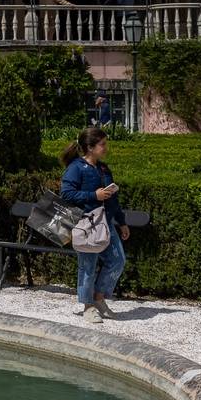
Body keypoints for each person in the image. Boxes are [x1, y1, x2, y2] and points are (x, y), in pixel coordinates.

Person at [60, 126, 129, 322]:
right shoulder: (75, 168)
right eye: (102, 144)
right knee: (87, 267)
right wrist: (94, 195)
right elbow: (65, 194)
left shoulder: (104, 168)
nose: (105, 148)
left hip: (106, 224)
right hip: (87, 225)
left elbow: (113, 199)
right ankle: (88, 306)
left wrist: (122, 222)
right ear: (90, 147)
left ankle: (99, 298)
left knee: (118, 260)